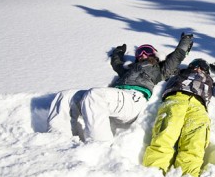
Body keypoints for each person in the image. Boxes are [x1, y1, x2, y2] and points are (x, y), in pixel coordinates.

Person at [47, 33, 193, 142]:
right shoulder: (129, 69)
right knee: (65, 96)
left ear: (154, 55)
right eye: (139, 53)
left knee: (94, 95)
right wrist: (118, 53)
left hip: (134, 99)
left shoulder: (160, 69)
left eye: (146, 52)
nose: (142, 55)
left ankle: (99, 146)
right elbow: (116, 64)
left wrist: (185, 41)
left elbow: (177, 57)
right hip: (117, 97)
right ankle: (57, 138)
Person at [142, 59, 215, 177]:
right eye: (194, 66)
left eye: (201, 68)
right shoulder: (179, 73)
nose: (197, 69)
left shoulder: (209, 81)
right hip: (175, 100)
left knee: (195, 144)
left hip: (198, 107)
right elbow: (166, 68)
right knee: (164, 137)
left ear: (206, 71)